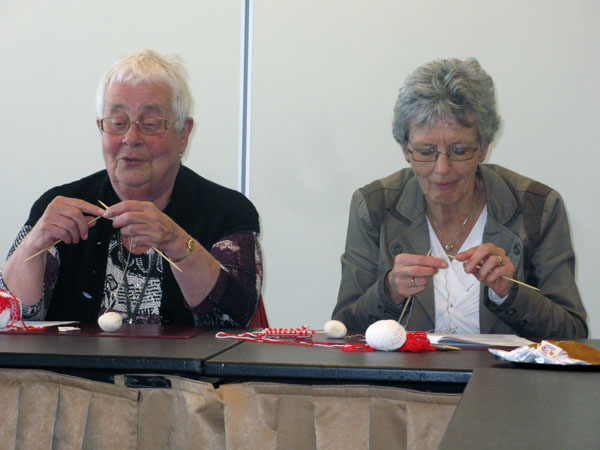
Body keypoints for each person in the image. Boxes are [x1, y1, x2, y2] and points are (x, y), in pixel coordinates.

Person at [0, 49, 262, 327]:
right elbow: (9, 316)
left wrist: (176, 242)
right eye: (117, 123)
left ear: (183, 134)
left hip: (189, 360)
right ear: (101, 129)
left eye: (150, 124)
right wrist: (34, 242)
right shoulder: (61, 207)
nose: (131, 138)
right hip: (70, 360)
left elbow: (234, 316)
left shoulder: (227, 212)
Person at [333, 57, 587, 338]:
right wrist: (389, 290)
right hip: (406, 368)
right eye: (426, 152)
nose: (442, 169)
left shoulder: (537, 207)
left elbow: (573, 332)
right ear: (405, 149)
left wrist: (509, 293)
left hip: (501, 369)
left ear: (483, 148)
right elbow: (343, 330)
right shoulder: (373, 206)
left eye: (460, 150)